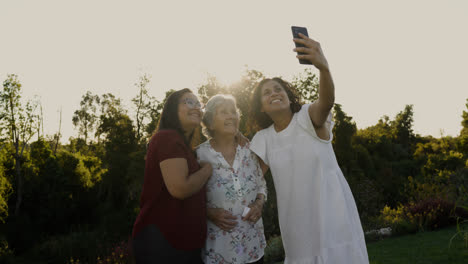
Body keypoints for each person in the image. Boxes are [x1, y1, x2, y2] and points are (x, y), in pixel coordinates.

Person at [248, 33, 369, 263]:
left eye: (278, 89)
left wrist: (323, 68)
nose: (274, 93)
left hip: (332, 214)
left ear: (288, 95)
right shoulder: (263, 139)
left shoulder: (306, 116)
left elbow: (326, 102)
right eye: (267, 92)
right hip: (297, 226)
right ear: (261, 107)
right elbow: (252, 179)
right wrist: (255, 203)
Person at [132, 88, 212, 264]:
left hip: (180, 243)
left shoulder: (182, 144)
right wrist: (207, 170)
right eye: (188, 102)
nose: (196, 107)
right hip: (164, 243)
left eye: (198, 104)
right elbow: (180, 188)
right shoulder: (168, 138)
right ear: (172, 110)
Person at [196, 94, 267, 264]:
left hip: (253, 246)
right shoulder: (199, 155)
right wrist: (209, 212)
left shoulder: (249, 149)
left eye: (233, 112)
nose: (231, 116)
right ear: (210, 122)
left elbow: (261, 185)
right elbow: (190, 198)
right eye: (223, 112)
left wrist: (258, 204)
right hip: (218, 251)